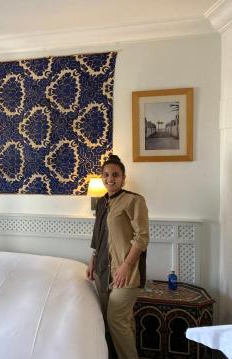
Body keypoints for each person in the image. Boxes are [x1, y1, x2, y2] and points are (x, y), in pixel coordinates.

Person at [86, 154, 149, 359]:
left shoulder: (134, 200)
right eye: (105, 175)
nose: (109, 178)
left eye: (115, 175)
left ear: (123, 178)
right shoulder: (102, 203)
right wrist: (93, 260)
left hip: (126, 274)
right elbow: (99, 236)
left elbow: (142, 238)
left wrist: (126, 266)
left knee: (115, 319)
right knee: (120, 322)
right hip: (104, 272)